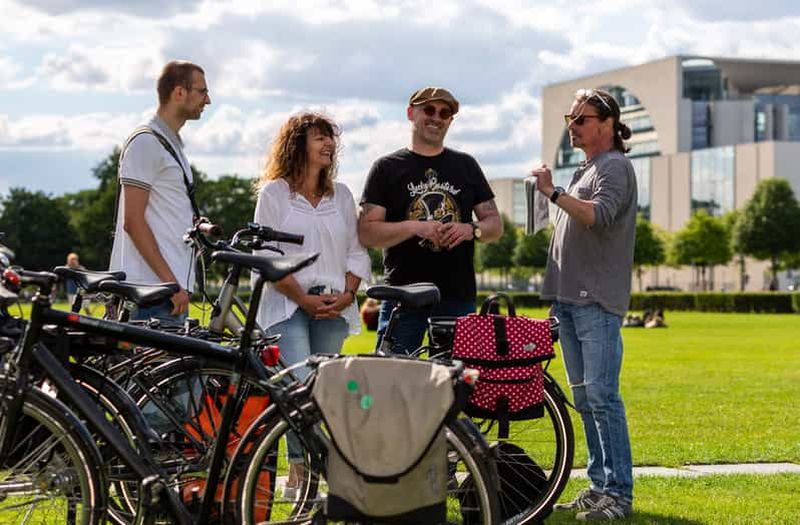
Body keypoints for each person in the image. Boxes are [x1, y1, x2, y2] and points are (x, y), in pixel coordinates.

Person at [253, 112, 370, 498]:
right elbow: (266, 256)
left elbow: (356, 251)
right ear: (297, 144)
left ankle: (320, 476)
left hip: (334, 305)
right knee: (298, 390)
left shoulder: (343, 196)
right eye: (319, 138)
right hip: (287, 305)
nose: (328, 145)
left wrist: (350, 294)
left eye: (331, 138)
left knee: (324, 394)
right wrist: (302, 297)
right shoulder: (274, 194)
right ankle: (299, 476)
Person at [534, 88, 636, 520]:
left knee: (603, 396)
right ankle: (599, 485)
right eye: (569, 119)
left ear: (607, 124)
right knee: (585, 398)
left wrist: (553, 193)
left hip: (595, 300)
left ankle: (619, 494)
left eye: (580, 119)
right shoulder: (586, 168)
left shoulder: (614, 166)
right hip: (569, 301)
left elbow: (597, 216)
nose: (572, 127)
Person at [358, 86, 502, 355]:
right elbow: (367, 232)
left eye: (445, 113)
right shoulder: (386, 168)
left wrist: (471, 229)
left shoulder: (466, 165)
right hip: (402, 296)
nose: (437, 117)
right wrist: (416, 226)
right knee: (393, 383)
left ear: (450, 120)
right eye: (429, 109)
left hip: (456, 297)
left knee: (456, 387)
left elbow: (494, 225)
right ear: (411, 113)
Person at [109, 60, 210, 325]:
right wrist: (171, 283)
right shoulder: (146, 142)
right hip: (153, 293)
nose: (207, 100)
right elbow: (133, 221)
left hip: (166, 292)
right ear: (179, 93)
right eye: (201, 91)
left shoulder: (169, 144)